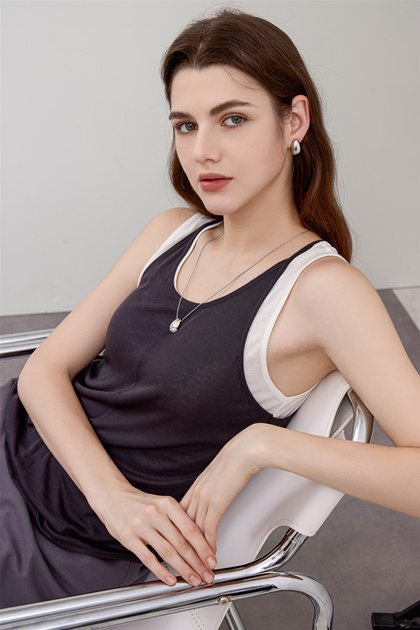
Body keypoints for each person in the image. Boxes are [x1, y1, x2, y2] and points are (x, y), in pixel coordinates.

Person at [1, 8, 419, 609]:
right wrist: (112, 496)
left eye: (233, 119)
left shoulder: (325, 291)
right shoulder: (172, 231)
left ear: (294, 120)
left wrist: (262, 444)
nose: (203, 151)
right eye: (185, 126)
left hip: (64, 543)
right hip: (24, 442)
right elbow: (44, 369)